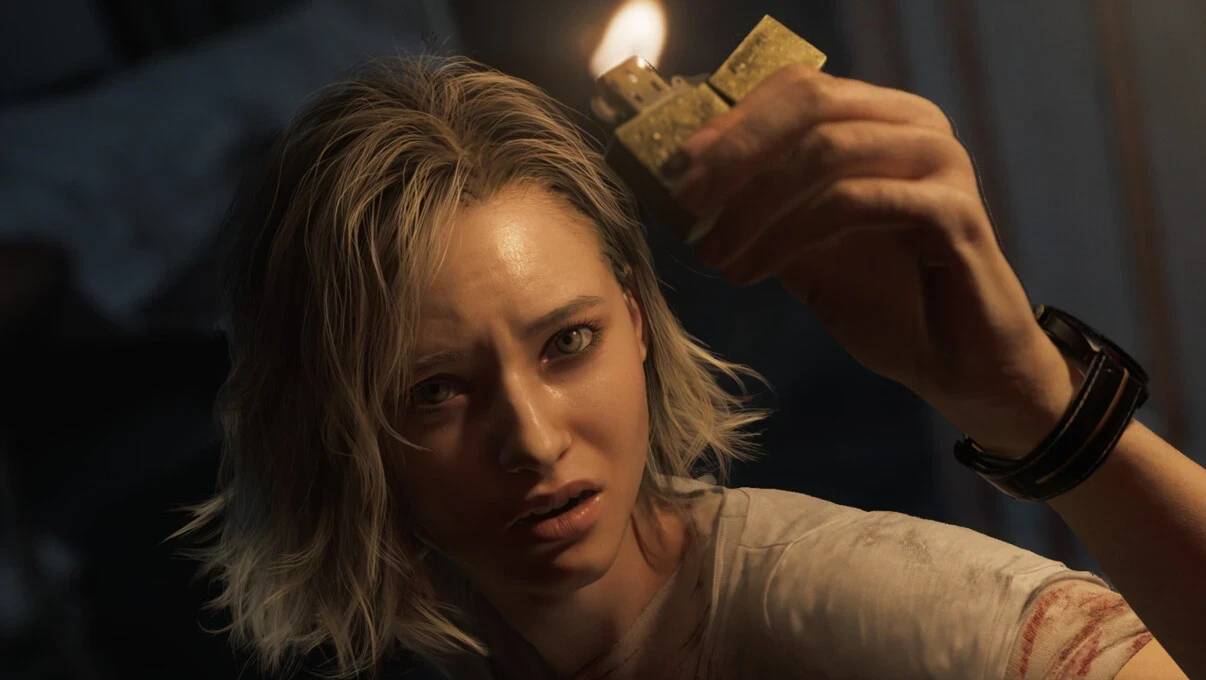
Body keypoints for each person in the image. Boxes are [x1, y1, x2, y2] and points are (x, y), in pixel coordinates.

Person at [175, 55, 1204, 679]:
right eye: (434, 390)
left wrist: (1033, 405)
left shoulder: (850, 602)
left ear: (634, 319)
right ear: (331, 424)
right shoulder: (447, 649)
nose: (533, 439)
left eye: (566, 342)